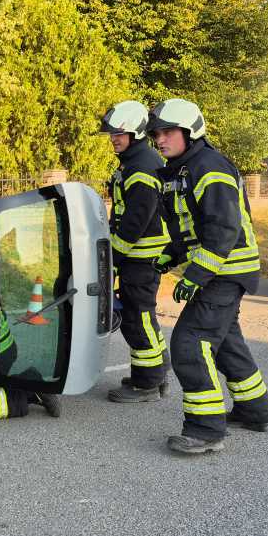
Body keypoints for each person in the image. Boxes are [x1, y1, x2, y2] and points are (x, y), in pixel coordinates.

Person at [148, 98, 268, 455]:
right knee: (226, 342)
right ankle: (255, 410)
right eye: (156, 133)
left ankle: (206, 430)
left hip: (226, 268)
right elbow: (191, 227)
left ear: (190, 131)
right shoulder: (182, 170)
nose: (160, 140)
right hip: (220, 268)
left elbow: (223, 229)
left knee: (191, 342)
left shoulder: (210, 167)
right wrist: (169, 256)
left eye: (168, 132)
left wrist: (196, 275)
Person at [99, 100, 171, 403]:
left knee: (137, 318)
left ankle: (148, 383)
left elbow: (134, 222)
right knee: (141, 317)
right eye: (111, 134)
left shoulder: (141, 165)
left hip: (140, 258)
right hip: (139, 257)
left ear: (137, 133)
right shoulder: (136, 160)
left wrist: (113, 258)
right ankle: (154, 373)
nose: (113, 138)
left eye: (119, 133)